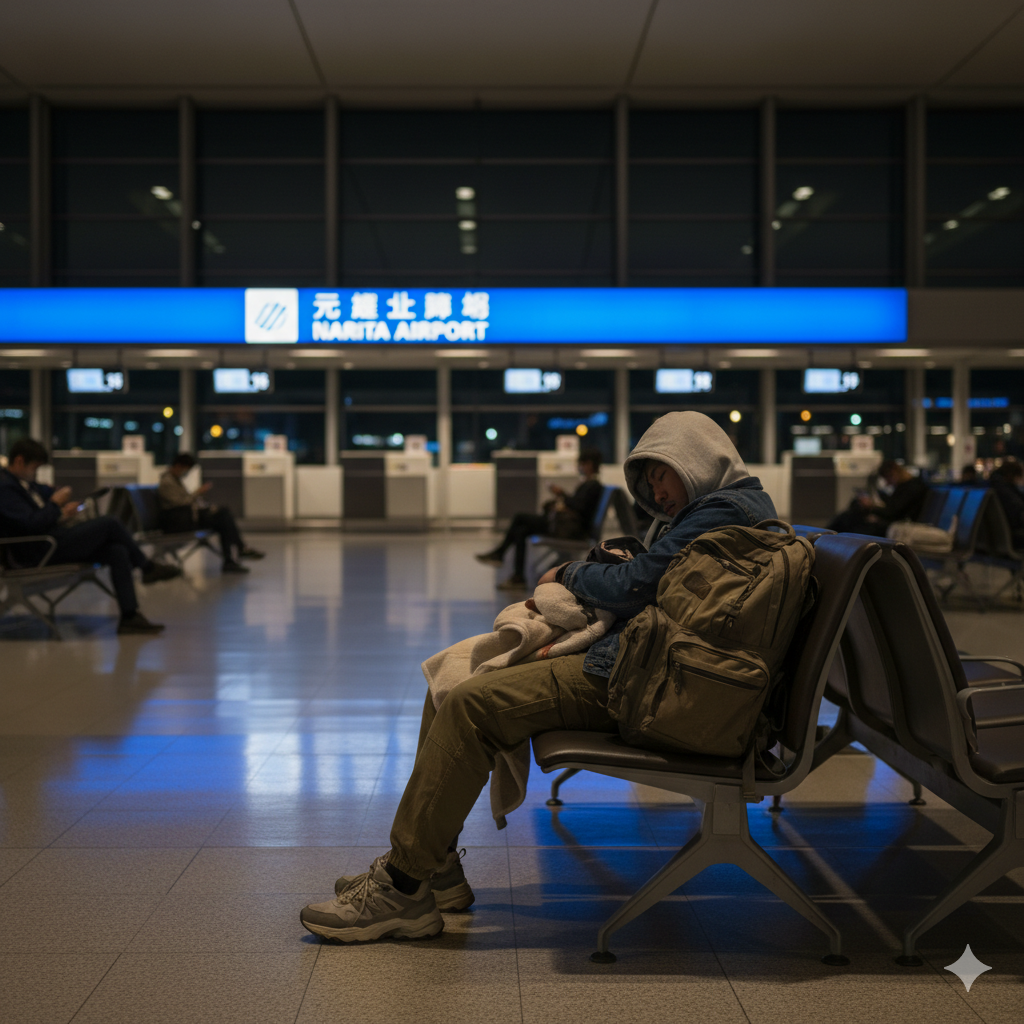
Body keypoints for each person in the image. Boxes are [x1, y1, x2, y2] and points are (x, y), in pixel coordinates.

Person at [299, 411, 777, 944]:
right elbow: (646, 580)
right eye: (649, 484)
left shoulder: (723, 513)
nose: (658, 493)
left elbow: (633, 586)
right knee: (454, 675)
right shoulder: (720, 507)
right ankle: (436, 872)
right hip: (648, 665)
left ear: (695, 457)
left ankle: (403, 886)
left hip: (650, 684)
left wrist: (569, 573)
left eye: (662, 476)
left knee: (472, 703)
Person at [0, 438, 180, 634]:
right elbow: (30, 523)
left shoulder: (25, 484)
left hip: (51, 542)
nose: (35, 473)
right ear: (19, 462)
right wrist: (54, 505)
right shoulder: (5, 488)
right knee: (109, 523)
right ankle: (147, 567)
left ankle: (130, 616)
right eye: (35, 468)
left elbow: (40, 515)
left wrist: (61, 511)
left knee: (116, 551)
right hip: (37, 551)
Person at [475, 446, 605, 590]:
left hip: (568, 530)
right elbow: (578, 505)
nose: (581, 467)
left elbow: (579, 507)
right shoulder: (590, 484)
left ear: (590, 464)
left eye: (583, 464)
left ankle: (501, 555)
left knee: (520, 518)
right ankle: (517, 576)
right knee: (521, 531)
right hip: (566, 526)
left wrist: (561, 494)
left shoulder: (593, 485)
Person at [157, 453, 264, 573]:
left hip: (184, 518)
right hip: (178, 522)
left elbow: (184, 501)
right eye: (186, 469)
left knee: (224, 515)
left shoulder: (174, 480)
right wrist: (198, 492)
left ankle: (234, 556)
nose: (185, 472)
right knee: (223, 516)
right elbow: (181, 502)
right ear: (178, 466)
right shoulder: (167, 482)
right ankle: (237, 553)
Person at [827, 459, 929, 537]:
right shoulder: (907, 486)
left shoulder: (912, 487)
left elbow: (893, 512)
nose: (888, 483)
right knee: (850, 515)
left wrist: (872, 507)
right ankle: (828, 536)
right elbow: (894, 507)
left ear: (895, 472)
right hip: (892, 521)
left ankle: (827, 537)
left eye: (888, 478)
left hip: (894, 524)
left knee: (849, 520)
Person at [988, 460, 1024, 548]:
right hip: (1013, 536)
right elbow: (1018, 513)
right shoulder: (1005, 492)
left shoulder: (994, 487)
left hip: (998, 537)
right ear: (1011, 475)